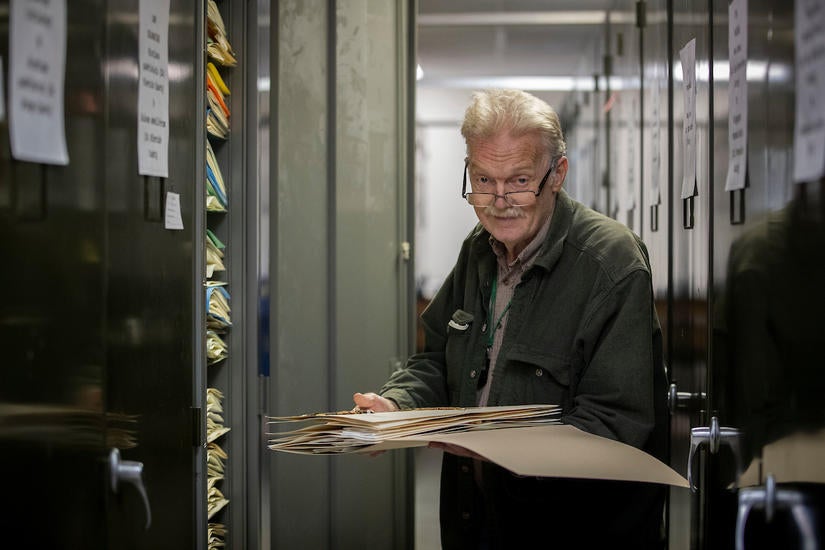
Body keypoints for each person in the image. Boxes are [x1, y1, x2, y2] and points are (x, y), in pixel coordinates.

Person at [354, 89, 668, 548]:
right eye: (483, 180)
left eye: (519, 180)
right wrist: (397, 407)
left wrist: (491, 443)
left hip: (573, 533)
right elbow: (439, 359)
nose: (499, 201)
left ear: (557, 173)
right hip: (477, 521)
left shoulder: (610, 264)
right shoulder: (479, 248)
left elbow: (615, 426)